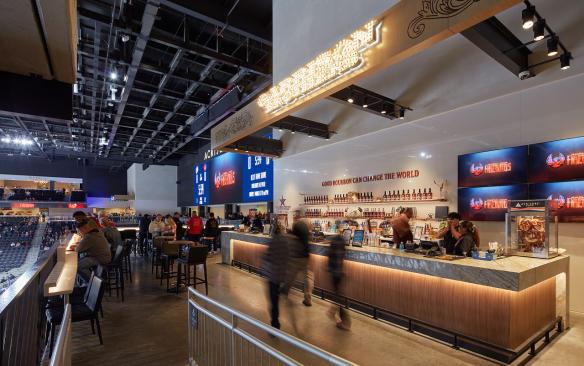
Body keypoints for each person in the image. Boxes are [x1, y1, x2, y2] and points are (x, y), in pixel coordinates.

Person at [262, 223, 290, 329]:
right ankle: (275, 321)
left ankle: (275, 323)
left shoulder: (272, 241)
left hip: (272, 274)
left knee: (273, 301)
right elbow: (287, 257)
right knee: (276, 299)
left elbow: (268, 257)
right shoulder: (286, 242)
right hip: (281, 274)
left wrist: (264, 268)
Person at [72, 219, 111, 284]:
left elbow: (78, 249)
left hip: (100, 258)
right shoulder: (96, 231)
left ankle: (93, 284)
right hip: (102, 256)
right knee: (79, 261)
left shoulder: (90, 236)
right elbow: (82, 246)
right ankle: (91, 282)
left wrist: (75, 246)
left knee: (77, 266)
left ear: (83, 229)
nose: (79, 233)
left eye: (79, 231)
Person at [327, 233, 350, 330]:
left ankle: (334, 314)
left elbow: (331, 258)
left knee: (338, 296)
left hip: (335, 273)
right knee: (338, 295)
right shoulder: (341, 245)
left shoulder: (334, 245)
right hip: (338, 273)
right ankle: (342, 320)